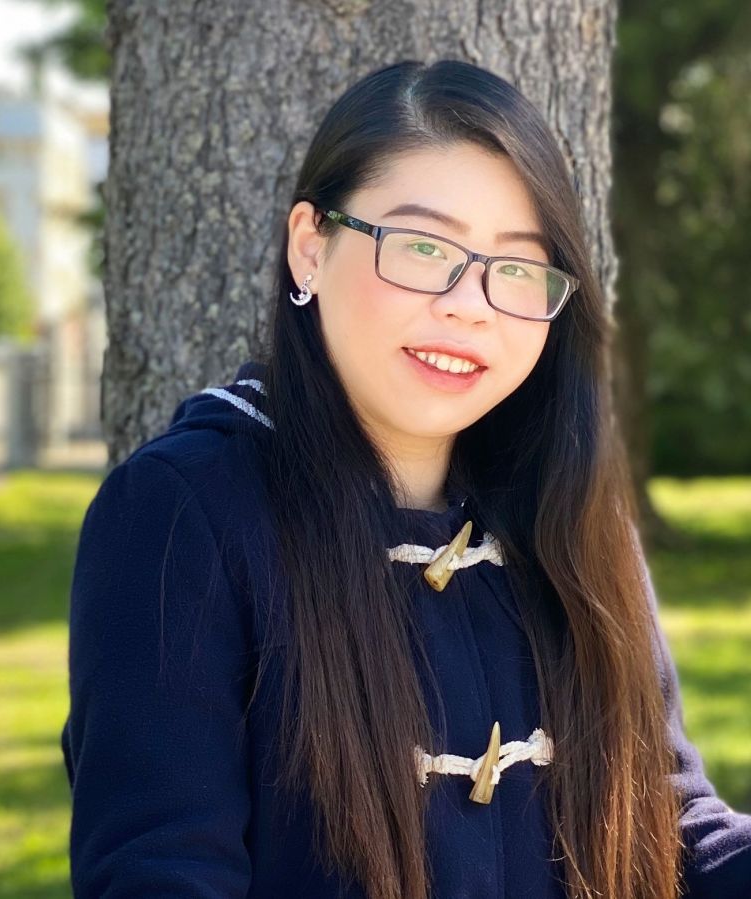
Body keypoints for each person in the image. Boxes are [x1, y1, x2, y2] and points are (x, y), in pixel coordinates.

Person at [60, 59, 751, 898]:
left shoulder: (564, 506)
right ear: (310, 246)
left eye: (520, 267)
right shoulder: (183, 512)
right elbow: (159, 872)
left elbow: (674, 829)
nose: (472, 304)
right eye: (425, 248)